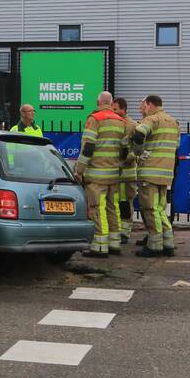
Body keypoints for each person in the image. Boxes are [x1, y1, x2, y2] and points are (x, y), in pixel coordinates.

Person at [74, 91, 125, 257]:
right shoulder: (120, 121)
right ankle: (114, 243)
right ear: (111, 103)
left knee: (97, 208)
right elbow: (124, 150)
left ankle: (100, 246)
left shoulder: (95, 119)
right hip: (114, 174)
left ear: (98, 102)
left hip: (96, 175)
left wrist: (79, 170)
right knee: (113, 207)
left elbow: (88, 147)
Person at [131, 94, 180, 258]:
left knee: (149, 209)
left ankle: (154, 246)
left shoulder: (151, 120)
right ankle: (168, 243)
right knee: (160, 210)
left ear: (150, 105)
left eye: (143, 105)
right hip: (166, 174)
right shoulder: (173, 122)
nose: (142, 109)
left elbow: (138, 135)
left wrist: (139, 152)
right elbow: (177, 145)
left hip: (150, 173)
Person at [111, 97, 138, 244]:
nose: (113, 111)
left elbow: (138, 149)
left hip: (127, 174)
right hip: (114, 173)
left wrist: (126, 157)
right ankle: (116, 230)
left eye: (115, 109)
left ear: (124, 109)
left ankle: (125, 233)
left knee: (126, 204)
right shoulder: (112, 123)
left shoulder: (133, 125)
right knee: (114, 203)